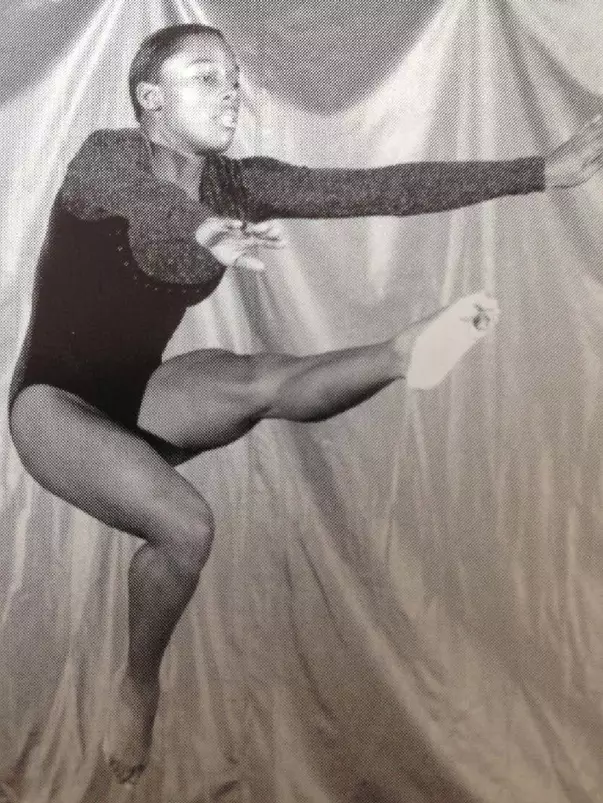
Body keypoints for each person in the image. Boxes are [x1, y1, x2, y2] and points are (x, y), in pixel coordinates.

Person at [7, 23, 603, 786]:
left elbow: (381, 189)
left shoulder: (241, 184)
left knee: (261, 379)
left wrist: (539, 171)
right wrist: (205, 230)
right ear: (150, 98)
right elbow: (142, 200)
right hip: (53, 402)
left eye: (233, 78)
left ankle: (398, 356)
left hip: (141, 393)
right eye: (205, 77)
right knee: (185, 524)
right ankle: (139, 684)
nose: (230, 92)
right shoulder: (106, 156)